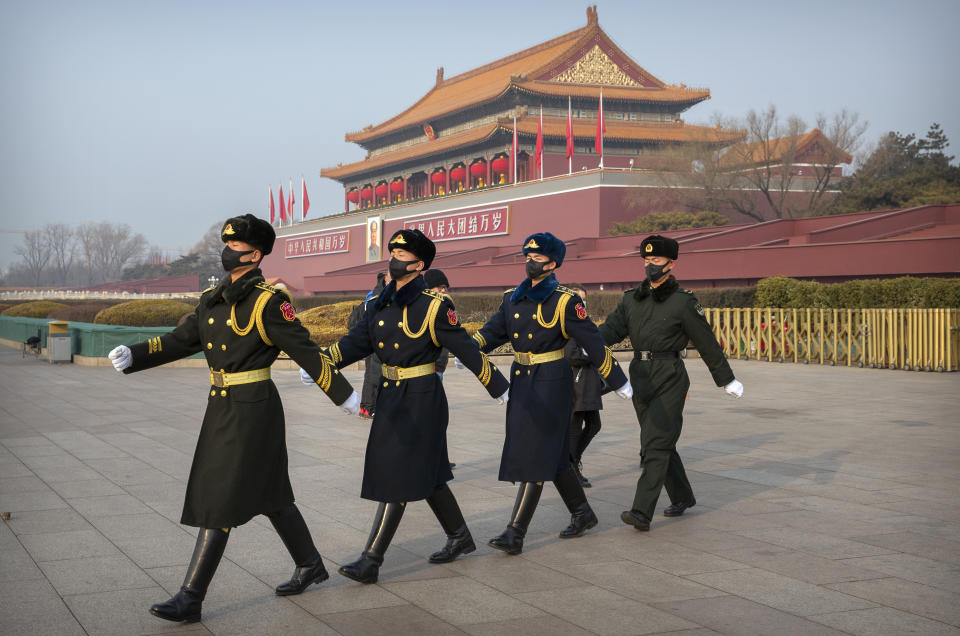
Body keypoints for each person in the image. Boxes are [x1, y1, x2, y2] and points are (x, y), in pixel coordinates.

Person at [107, 214, 360, 624]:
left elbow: (306, 350)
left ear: (255, 254)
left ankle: (191, 596)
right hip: (222, 405)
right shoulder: (214, 298)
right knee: (272, 494)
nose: (227, 252)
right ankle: (310, 564)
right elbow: (179, 341)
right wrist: (137, 353)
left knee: (220, 497)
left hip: (253, 408)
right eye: (226, 245)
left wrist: (343, 395)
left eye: (235, 246)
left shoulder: (268, 301)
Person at [305, 229, 510, 583]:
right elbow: (356, 342)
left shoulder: (434, 307)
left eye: (402, 256)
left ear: (418, 265)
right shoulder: (379, 304)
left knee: (399, 473)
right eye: (393, 253)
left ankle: (372, 559)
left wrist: (499, 386)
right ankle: (459, 536)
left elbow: (466, 349)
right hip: (391, 394)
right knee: (427, 475)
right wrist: (322, 364)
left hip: (422, 398)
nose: (394, 260)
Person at [473, 232, 631, 555]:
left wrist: (618, 380)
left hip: (552, 383)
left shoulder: (565, 301)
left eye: (537, 257)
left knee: (537, 454)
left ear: (553, 263)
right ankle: (582, 512)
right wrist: (462, 348)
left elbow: (593, 342)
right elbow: (490, 334)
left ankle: (515, 532)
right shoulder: (511, 298)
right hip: (523, 380)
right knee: (555, 455)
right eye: (527, 256)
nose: (530, 262)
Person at [598, 234, 744, 532]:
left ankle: (641, 511)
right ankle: (683, 496)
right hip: (640, 374)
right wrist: (584, 343)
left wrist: (726, 379)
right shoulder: (631, 299)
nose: (650, 266)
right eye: (647, 261)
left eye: (657, 261)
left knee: (655, 443)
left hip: (670, 375)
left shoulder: (683, 302)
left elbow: (706, 342)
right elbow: (610, 332)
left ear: (672, 263)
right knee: (659, 441)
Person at [562, 287, 605, 488]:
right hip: (575, 382)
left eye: (584, 299)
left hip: (588, 382)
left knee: (594, 425)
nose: (582, 302)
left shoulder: (584, 322)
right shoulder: (567, 322)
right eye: (578, 298)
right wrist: (592, 354)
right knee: (573, 428)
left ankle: (573, 462)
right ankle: (571, 469)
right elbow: (571, 353)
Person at [423, 268, 456, 469]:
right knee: (430, 420)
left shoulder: (443, 309)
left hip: (438, 371)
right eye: (440, 287)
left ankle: (440, 460)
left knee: (439, 419)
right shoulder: (423, 310)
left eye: (445, 288)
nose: (443, 291)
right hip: (426, 372)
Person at [352, 271, 388, 418]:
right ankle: (368, 408)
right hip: (376, 343)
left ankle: (366, 408)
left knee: (370, 375)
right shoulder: (378, 297)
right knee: (375, 376)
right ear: (385, 280)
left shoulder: (371, 294)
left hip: (370, 342)